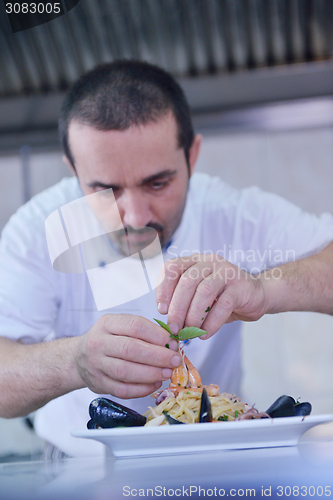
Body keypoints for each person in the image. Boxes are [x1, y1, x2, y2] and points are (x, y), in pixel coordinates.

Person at [0, 60, 332, 457]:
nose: (136, 217)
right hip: (78, 466)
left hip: (215, 457)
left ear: (192, 156)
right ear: (73, 170)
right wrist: (76, 362)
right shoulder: (39, 229)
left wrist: (265, 289)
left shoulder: (233, 213)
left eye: (157, 183)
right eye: (105, 188)